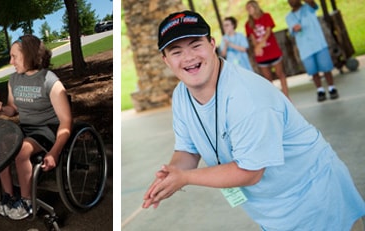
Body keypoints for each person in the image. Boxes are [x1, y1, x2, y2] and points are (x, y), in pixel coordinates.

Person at [142, 10, 365, 230]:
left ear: (212, 44)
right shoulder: (181, 95)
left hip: (317, 200)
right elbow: (188, 149)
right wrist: (172, 174)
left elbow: (250, 172)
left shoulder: (247, 96)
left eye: (196, 45)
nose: (189, 57)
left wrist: (186, 178)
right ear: (166, 61)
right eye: (176, 51)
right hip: (272, 211)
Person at [0, 34, 72, 221]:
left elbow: (66, 121)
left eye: (14, 56)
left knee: (21, 151)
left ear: (28, 54)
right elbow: (13, 109)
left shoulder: (49, 80)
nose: (11, 62)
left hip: (47, 130)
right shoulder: (14, 80)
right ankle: (9, 198)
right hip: (25, 128)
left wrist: (56, 152)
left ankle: (27, 202)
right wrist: (2, 108)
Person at [287, 0, 339, 102]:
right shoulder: (289, 17)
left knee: (326, 68)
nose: (291, 1)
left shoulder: (308, 8)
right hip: (305, 48)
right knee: (313, 71)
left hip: (318, 44)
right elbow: (291, 31)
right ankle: (320, 90)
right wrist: (295, 28)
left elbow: (312, 4)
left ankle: (332, 88)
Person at [245, 0, 290, 98]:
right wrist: (257, 47)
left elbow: (268, 32)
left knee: (280, 74)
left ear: (255, 7)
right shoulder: (248, 24)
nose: (248, 10)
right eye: (247, 8)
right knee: (267, 78)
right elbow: (252, 38)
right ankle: (274, 98)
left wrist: (260, 45)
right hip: (262, 54)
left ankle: (286, 96)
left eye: (250, 7)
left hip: (273, 51)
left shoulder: (266, 16)